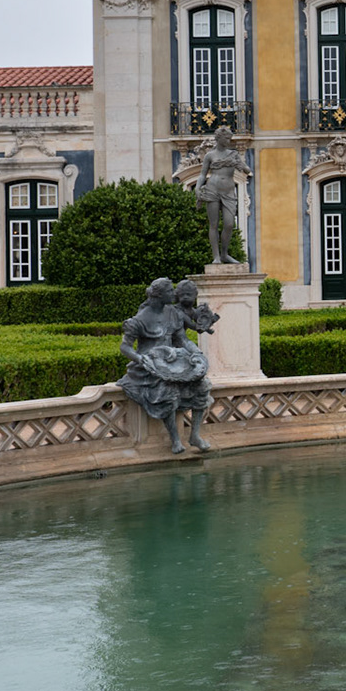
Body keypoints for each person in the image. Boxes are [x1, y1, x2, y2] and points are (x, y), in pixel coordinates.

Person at [117, 279, 212, 453]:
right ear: (159, 295)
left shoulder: (172, 313)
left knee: (202, 386)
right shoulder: (140, 319)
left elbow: (182, 339)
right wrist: (140, 359)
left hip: (173, 362)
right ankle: (175, 440)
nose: (174, 294)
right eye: (170, 291)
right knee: (168, 393)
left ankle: (195, 435)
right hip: (148, 367)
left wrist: (197, 353)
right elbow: (125, 347)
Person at [195, 126, 246, 265]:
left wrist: (239, 164)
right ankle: (216, 256)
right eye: (227, 138)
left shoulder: (233, 154)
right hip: (212, 189)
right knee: (213, 224)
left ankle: (224, 254)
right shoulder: (209, 155)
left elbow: (247, 169)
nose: (229, 141)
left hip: (228, 191)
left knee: (229, 224)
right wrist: (198, 188)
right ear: (219, 138)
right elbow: (202, 174)